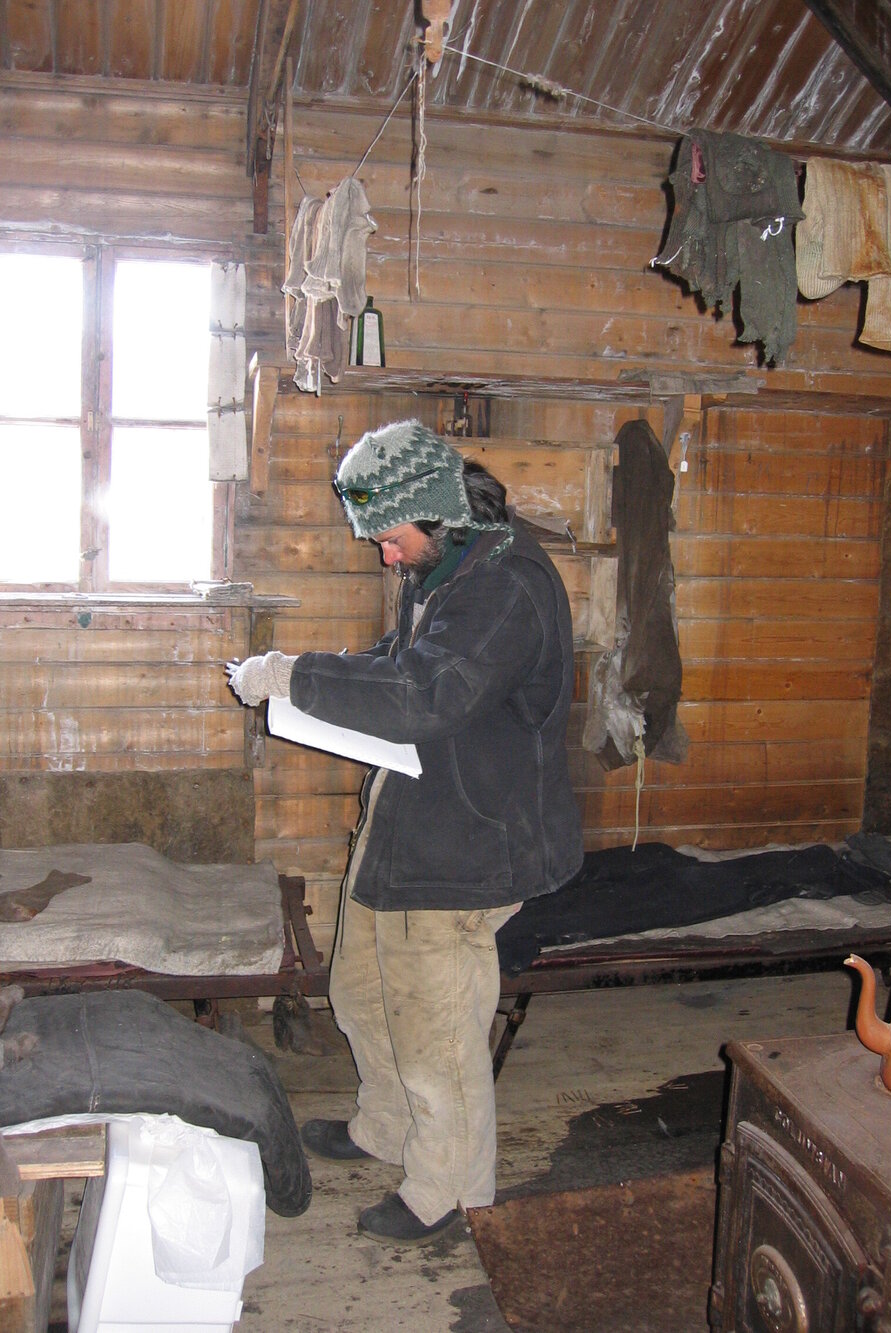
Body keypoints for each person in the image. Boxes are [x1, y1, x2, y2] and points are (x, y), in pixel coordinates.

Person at [226, 419, 582, 1244]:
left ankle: (449, 1190)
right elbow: (399, 661)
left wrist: (297, 678)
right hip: (416, 813)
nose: (385, 556)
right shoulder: (442, 567)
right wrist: (310, 675)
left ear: (436, 511)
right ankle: (384, 1125)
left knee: (435, 1030)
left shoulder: (507, 587)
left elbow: (428, 697)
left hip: (472, 840)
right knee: (360, 989)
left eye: (389, 538)